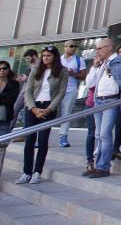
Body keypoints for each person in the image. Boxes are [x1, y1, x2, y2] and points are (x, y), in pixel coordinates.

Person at [82, 37, 121, 179]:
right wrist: (95, 66)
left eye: (100, 48)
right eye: (97, 49)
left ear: (109, 48)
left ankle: (103, 167)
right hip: (98, 101)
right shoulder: (102, 63)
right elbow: (89, 84)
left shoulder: (119, 61)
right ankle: (98, 164)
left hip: (112, 101)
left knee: (105, 134)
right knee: (99, 134)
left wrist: (110, 68)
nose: (97, 51)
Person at [17, 45, 67, 184]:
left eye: (48, 56)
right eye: (44, 55)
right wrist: (33, 108)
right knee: (30, 140)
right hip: (32, 107)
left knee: (43, 140)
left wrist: (50, 109)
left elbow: (61, 92)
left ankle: (37, 172)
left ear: (55, 57)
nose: (45, 58)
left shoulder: (62, 71)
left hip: (48, 107)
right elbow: (28, 90)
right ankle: (26, 172)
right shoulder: (35, 69)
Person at [57, 41, 86, 148]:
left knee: (66, 113)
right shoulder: (58, 59)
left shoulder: (79, 60)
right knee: (50, 112)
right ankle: (41, 136)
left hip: (71, 88)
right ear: (65, 47)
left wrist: (73, 73)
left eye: (75, 46)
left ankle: (63, 136)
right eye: (71, 46)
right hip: (57, 89)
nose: (73, 48)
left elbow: (83, 76)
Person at [12, 49, 38, 127]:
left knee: (27, 114)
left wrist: (26, 78)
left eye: (28, 58)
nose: (27, 61)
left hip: (32, 93)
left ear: (34, 56)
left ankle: (24, 134)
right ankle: (7, 133)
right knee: (14, 110)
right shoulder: (30, 65)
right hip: (24, 91)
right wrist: (23, 78)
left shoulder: (41, 65)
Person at [0, 60, 18, 137]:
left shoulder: (14, 84)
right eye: (0, 69)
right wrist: (4, 96)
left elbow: (10, 100)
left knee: (3, 143)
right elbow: (6, 99)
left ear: (8, 70)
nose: (2, 70)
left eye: (4, 68)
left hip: (5, 116)